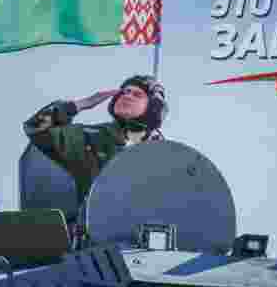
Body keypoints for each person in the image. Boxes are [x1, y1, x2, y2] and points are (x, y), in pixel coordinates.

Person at [23, 75, 169, 208]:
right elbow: (36, 128)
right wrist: (78, 105)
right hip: (95, 229)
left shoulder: (163, 153)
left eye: (137, 95)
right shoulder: (90, 137)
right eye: (124, 92)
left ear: (154, 106)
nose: (127, 96)